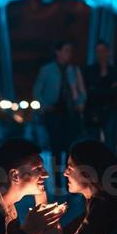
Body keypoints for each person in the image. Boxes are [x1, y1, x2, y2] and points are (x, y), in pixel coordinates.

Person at [33, 41, 86, 191]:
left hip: (70, 112)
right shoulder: (47, 70)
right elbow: (37, 91)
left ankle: (70, 181)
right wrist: (44, 106)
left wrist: (79, 103)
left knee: (70, 148)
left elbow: (81, 91)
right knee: (56, 148)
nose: (69, 54)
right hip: (54, 112)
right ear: (58, 52)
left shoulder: (74, 70)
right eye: (66, 50)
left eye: (70, 51)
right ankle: (57, 182)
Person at [85, 41, 117, 152]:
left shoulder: (114, 71)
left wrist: (98, 90)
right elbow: (89, 90)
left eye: (103, 51)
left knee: (111, 141)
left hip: (110, 108)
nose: (101, 54)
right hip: (93, 110)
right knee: (93, 142)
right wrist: (108, 89)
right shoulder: (90, 71)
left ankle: (109, 166)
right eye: (98, 51)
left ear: (108, 52)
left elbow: (116, 91)